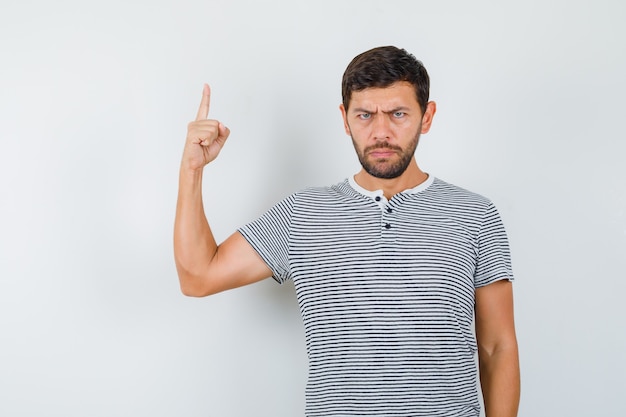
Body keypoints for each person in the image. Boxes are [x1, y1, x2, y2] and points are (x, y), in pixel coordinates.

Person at [174, 45, 520, 417]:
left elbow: (497, 346)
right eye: (365, 115)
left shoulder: (474, 215)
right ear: (345, 118)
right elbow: (198, 276)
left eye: (398, 114)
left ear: (427, 116)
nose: (381, 132)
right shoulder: (303, 214)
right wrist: (192, 170)